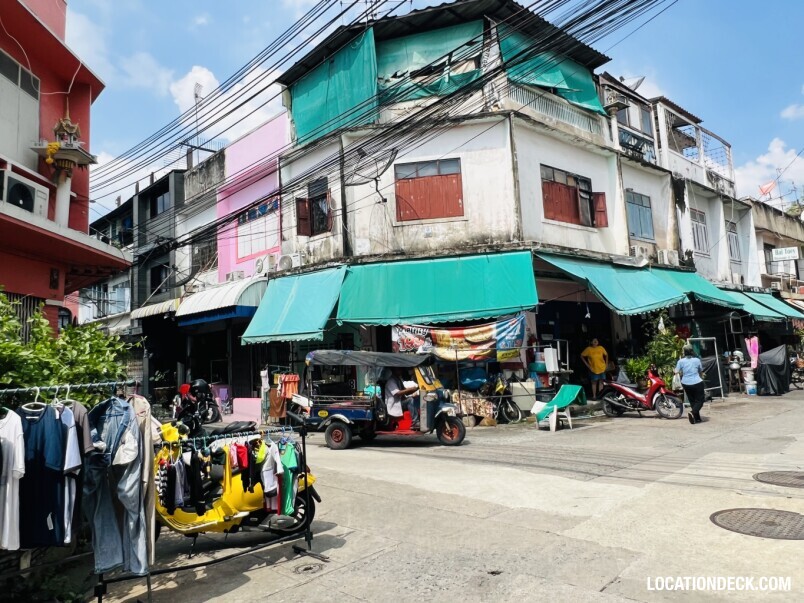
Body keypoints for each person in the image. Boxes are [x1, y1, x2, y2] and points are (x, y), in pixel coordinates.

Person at [675, 344, 705, 424]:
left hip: (686, 383)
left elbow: (676, 371)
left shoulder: (680, 361)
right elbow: (700, 371)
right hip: (697, 382)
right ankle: (692, 412)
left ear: (684, 352)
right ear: (692, 351)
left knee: (692, 401)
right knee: (700, 401)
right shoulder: (697, 360)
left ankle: (697, 418)